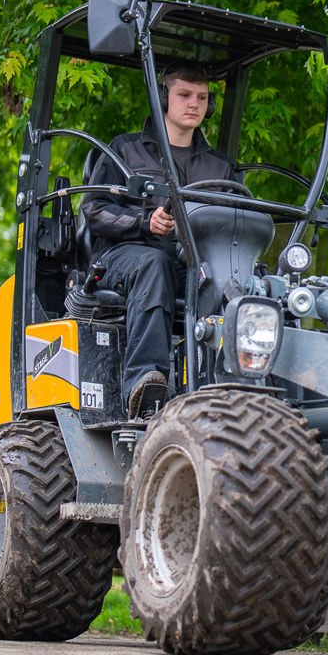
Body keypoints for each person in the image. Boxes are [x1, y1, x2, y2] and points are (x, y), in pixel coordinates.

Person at [82, 62, 237, 418]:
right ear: (164, 98)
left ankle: (228, 385)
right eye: (184, 95)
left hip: (188, 262)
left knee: (235, 279)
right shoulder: (125, 150)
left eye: (202, 97)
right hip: (121, 258)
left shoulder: (219, 167)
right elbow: (94, 209)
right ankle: (145, 384)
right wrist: (143, 222)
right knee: (155, 264)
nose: (194, 104)